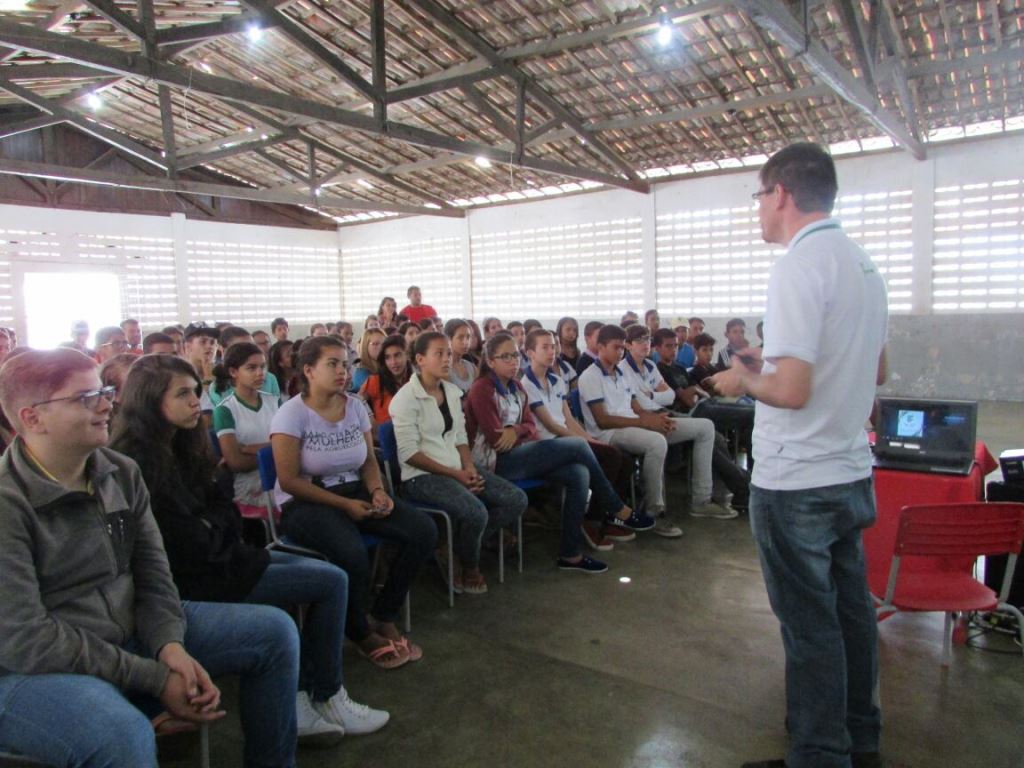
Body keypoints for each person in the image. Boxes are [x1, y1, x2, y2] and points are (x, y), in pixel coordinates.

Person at [0, 348, 301, 768]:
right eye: (85, 398)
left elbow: (154, 574)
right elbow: (27, 640)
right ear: (32, 418)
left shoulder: (120, 472)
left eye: (104, 391)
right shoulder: (8, 502)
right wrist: (155, 677)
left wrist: (169, 644)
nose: (108, 403)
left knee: (273, 632)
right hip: (38, 669)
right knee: (120, 734)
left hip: (133, 629)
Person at [710, 142, 888, 768]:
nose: (757, 209)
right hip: (848, 471)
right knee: (851, 615)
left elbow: (789, 390)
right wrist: (775, 365)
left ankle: (818, 755)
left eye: (758, 196)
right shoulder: (863, 264)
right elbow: (876, 368)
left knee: (810, 628)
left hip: (797, 483)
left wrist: (744, 381)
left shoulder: (797, 264)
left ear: (781, 193)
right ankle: (859, 739)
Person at [111, 353, 389, 744]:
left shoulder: (184, 446)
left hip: (228, 557)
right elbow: (184, 541)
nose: (196, 402)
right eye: (183, 394)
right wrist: (213, 524)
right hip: (196, 581)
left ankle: (317, 695)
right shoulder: (136, 463)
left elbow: (221, 506)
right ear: (150, 401)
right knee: (326, 583)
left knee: (331, 577)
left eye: (196, 391)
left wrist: (213, 523)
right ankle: (320, 696)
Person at [271, 336, 436, 670]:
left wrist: (377, 491)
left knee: (423, 530)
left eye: (345, 363)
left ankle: (383, 614)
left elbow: (368, 461)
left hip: (355, 491)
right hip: (305, 502)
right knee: (352, 553)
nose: (342, 371)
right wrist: (343, 506)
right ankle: (359, 632)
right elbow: (289, 480)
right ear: (309, 370)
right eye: (331, 364)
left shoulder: (355, 407)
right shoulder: (291, 414)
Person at [465, 333, 638, 574]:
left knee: (578, 474)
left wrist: (515, 430)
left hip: (519, 453)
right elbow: (496, 440)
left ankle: (570, 554)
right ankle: (615, 505)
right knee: (578, 446)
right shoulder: (482, 389)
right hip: (494, 463)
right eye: (505, 357)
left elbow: (529, 426)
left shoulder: (515, 387)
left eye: (515, 355)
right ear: (491, 361)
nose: (513, 361)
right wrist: (517, 432)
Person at [390, 332, 527, 595]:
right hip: (421, 477)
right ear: (420, 359)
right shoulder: (405, 399)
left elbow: (461, 435)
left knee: (515, 499)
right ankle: (470, 564)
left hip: (457, 469)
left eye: (448, 354)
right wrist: (455, 475)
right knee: (477, 512)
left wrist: (469, 466)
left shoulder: (451, 392)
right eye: (438, 354)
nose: (446, 359)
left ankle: (454, 548)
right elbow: (408, 453)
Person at [578, 324, 726, 537]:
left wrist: (655, 419)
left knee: (705, 427)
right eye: (615, 347)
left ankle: (701, 500)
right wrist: (645, 423)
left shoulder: (621, 372)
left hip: (633, 424)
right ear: (600, 347)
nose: (620, 352)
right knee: (656, 441)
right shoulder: (590, 376)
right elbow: (602, 420)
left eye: (622, 348)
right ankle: (654, 510)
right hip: (610, 434)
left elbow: (635, 406)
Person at [520, 329, 645, 550]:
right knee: (611, 457)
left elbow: (569, 420)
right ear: (530, 352)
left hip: (568, 440)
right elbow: (551, 425)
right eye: (545, 347)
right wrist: (585, 443)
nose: (552, 352)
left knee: (622, 459)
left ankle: (604, 519)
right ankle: (597, 518)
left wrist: (589, 440)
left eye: (553, 346)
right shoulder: (527, 384)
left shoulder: (557, 381)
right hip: (547, 444)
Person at [209, 326, 281, 407]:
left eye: (251, 346)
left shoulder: (269, 378)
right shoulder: (217, 387)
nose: (249, 352)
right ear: (222, 350)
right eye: (240, 348)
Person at [360, 334, 412, 427]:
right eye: (388, 357)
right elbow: (358, 400)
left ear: (407, 355)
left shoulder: (416, 380)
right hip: (385, 436)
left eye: (397, 355)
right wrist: (371, 419)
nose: (393, 362)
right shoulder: (376, 381)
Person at [444, 318, 478, 395]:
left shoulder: (471, 367)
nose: (466, 342)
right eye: (460, 337)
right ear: (449, 339)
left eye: (468, 337)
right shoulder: (443, 368)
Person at [183, 322, 219, 391]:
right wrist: (208, 379)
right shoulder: (180, 375)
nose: (209, 346)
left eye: (212, 342)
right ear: (188, 346)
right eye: (203, 342)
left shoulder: (223, 374)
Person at [352, 328, 385, 393]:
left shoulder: (385, 367)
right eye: (375, 344)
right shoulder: (361, 373)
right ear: (365, 346)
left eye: (384, 343)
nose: (381, 347)